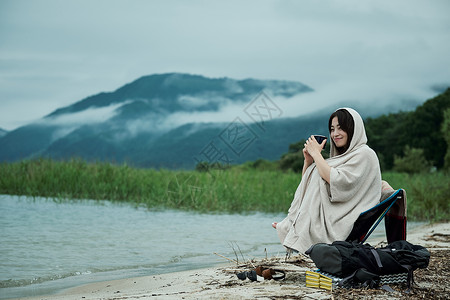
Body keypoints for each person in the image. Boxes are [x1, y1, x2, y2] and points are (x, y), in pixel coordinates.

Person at [272, 108, 382, 253]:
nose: (335, 134)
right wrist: (308, 161)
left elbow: (340, 184)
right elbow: (310, 181)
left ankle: (294, 226)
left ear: (354, 129)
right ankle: (293, 223)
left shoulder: (365, 154)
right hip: (337, 211)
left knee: (320, 172)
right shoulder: (340, 158)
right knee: (317, 172)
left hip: (344, 219)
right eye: (332, 129)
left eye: (341, 128)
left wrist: (317, 154)